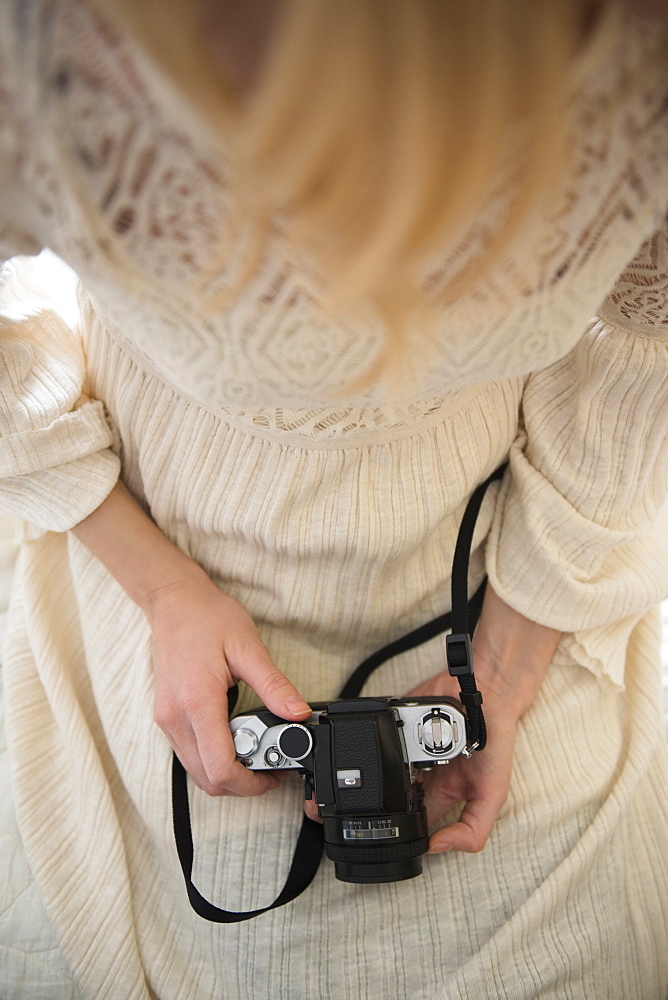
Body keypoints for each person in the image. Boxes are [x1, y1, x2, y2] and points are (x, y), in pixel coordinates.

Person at [0, 0, 667, 997]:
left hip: (533, 549)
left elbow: (642, 347)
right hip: (148, 554)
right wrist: (156, 584)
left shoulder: (634, 54)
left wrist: (511, 655)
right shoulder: (54, 50)